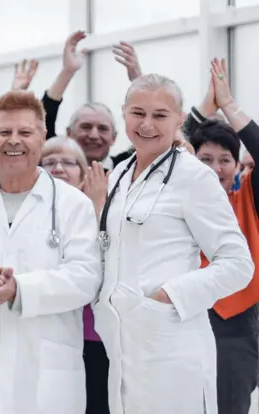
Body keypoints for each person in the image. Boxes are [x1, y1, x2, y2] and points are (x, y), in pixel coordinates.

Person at [0, 90, 102, 413]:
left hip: (48, 375)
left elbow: (86, 277)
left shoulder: (72, 204)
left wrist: (19, 290)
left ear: (42, 136)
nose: (14, 141)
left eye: (25, 132)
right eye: (4, 132)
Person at [94, 73, 253, 414]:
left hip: (172, 344)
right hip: (123, 346)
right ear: (124, 114)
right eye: (138, 113)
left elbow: (238, 263)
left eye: (160, 115)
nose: (147, 124)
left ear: (180, 119)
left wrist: (170, 295)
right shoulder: (119, 175)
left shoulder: (195, 177)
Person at [185, 58, 259, 414]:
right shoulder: (171, 201)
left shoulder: (247, 198)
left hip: (234, 327)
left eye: (225, 160)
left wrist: (228, 106)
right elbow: (161, 148)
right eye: (205, 159)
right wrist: (202, 110)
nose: (215, 169)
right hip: (177, 320)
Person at [40, 136, 110, 414]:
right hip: (45, 330)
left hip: (94, 335)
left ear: (84, 173)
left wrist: (96, 208)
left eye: (68, 162)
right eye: (49, 162)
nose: (58, 167)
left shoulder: (106, 211)